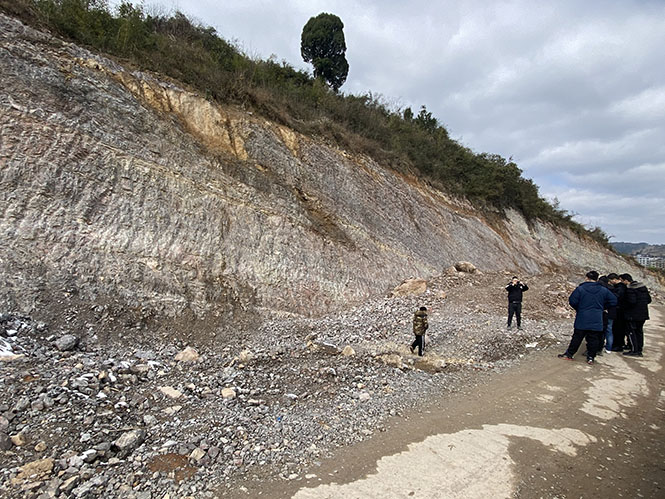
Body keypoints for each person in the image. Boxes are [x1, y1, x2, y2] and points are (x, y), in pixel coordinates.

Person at [558, 270, 617, 365]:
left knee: (577, 337)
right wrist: (602, 307)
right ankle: (591, 357)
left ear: (587, 278)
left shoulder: (580, 289)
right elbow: (613, 301)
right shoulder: (603, 290)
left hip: (582, 316)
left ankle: (569, 354)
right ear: (597, 279)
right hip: (597, 317)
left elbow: (572, 301)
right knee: (594, 338)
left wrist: (579, 308)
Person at [621, 273, 651, 357]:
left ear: (626, 281)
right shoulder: (643, 288)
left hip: (633, 315)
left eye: (622, 281)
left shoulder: (630, 289)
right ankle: (639, 349)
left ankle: (634, 350)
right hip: (643, 314)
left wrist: (624, 306)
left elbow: (631, 302)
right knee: (639, 332)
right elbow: (649, 300)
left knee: (631, 332)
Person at [611, 273, 628, 351]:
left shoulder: (620, 288)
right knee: (619, 329)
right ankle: (619, 344)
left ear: (614, 279)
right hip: (621, 310)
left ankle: (618, 345)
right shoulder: (622, 287)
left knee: (618, 329)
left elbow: (617, 298)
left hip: (619, 311)